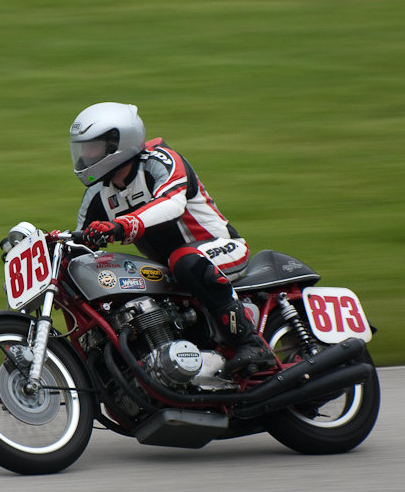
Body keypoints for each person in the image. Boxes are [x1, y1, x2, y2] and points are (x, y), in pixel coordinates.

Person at [70, 102, 274, 376]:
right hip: (169, 271)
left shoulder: (160, 161)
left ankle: (251, 344)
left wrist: (121, 226)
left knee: (185, 260)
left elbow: (171, 205)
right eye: (81, 147)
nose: (84, 155)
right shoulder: (98, 194)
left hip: (220, 249)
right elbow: (81, 244)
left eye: (91, 146)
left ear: (117, 143)